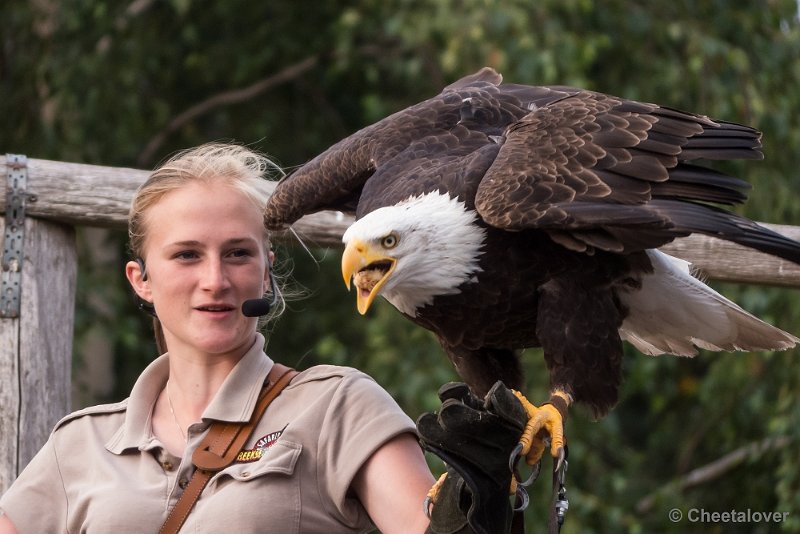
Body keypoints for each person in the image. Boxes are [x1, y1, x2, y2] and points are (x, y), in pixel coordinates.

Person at [0, 143, 436, 533]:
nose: (215, 280)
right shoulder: (81, 442)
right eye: (187, 255)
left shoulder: (337, 407)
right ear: (141, 280)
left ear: (266, 271)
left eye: (237, 254)